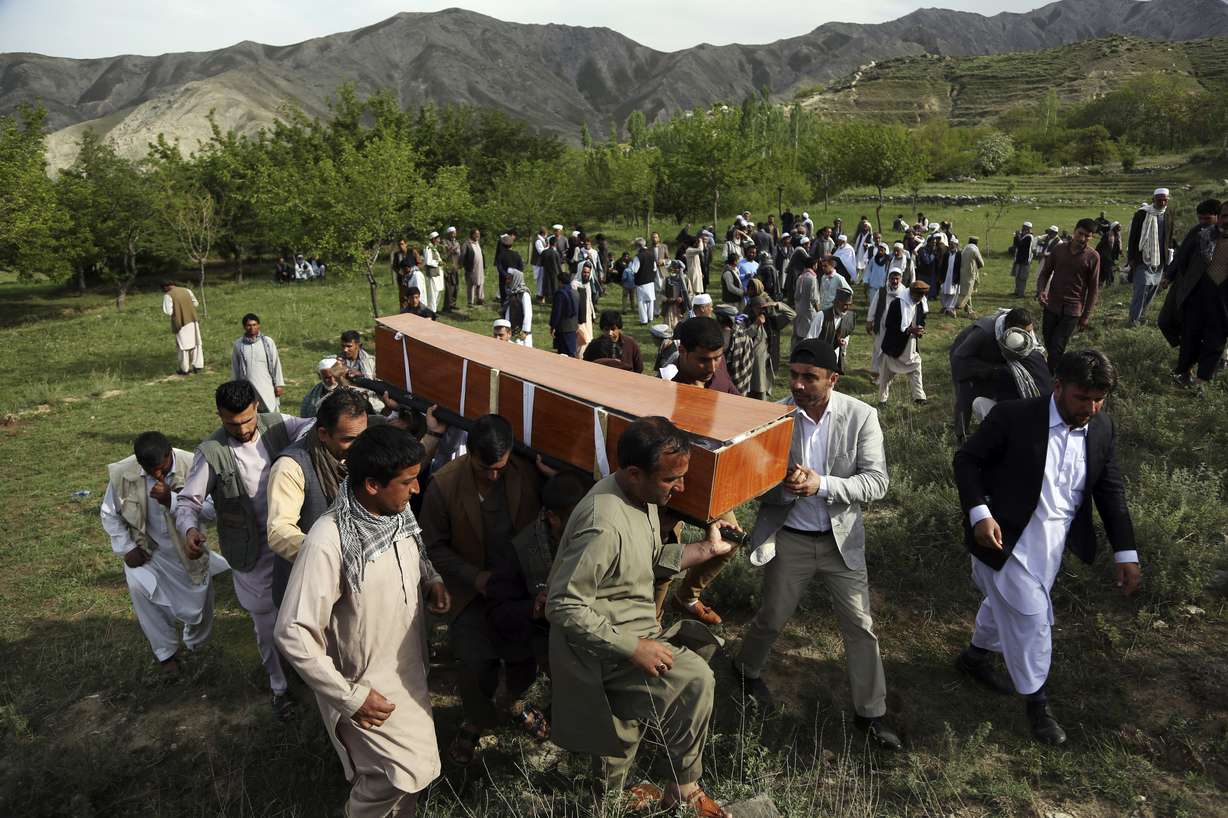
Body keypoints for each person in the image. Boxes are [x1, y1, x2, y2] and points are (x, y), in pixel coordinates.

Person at [547, 417, 734, 818]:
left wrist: (706, 549)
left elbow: (647, 562)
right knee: (694, 680)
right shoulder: (602, 523)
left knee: (624, 726)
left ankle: (608, 802)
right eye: (672, 480)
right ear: (634, 473)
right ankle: (684, 789)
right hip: (599, 649)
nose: (681, 488)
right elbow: (563, 604)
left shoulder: (644, 498)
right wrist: (634, 648)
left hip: (633, 631)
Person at [953, 350, 1140, 745]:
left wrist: (1126, 552)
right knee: (1032, 619)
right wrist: (979, 513)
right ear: (1059, 386)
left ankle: (973, 659)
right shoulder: (1014, 417)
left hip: (1052, 546)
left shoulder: (1102, 428)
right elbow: (966, 460)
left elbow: (1111, 492)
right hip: (1004, 539)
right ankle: (1038, 705)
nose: (1090, 407)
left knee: (1002, 604)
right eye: (1082, 397)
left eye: (1098, 399)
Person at [275, 424, 450, 818]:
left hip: (409, 674)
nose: (416, 490)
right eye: (407, 482)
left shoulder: (397, 513)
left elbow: (415, 550)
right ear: (372, 484)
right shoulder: (328, 541)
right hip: (368, 688)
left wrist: (432, 579)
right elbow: (292, 632)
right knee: (393, 776)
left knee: (411, 779)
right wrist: (351, 697)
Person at [732, 339, 899, 748]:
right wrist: (786, 489)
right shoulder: (774, 416)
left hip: (841, 543)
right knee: (771, 617)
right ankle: (744, 672)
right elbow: (755, 487)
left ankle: (871, 713)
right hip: (790, 540)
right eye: (793, 375)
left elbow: (876, 482)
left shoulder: (861, 416)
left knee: (861, 626)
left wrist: (820, 484)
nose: (799, 385)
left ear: (833, 379)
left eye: (810, 377)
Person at [177, 380, 314, 717]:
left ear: (257, 407)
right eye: (231, 424)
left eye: (247, 420)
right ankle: (281, 689)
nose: (241, 429)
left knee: (308, 612)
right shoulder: (210, 452)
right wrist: (190, 529)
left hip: (294, 540)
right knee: (268, 627)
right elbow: (187, 502)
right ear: (220, 417)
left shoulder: (279, 424)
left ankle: (315, 677)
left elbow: (315, 423)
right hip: (251, 554)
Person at [419, 415, 546, 764]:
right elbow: (435, 545)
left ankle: (513, 699)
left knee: (525, 655)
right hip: (470, 590)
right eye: (483, 468)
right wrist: (475, 577)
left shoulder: (525, 473)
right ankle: (475, 719)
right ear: (469, 453)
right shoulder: (443, 484)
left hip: (520, 587)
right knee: (475, 662)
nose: (493, 476)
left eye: (499, 469)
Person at [268, 389, 437, 607]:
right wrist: (333, 555)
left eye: (361, 437)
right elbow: (279, 532)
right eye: (348, 439)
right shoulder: (291, 467)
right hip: (314, 587)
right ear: (322, 433)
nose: (357, 446)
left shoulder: (365, 449)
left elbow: (402, 471)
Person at [101, 431, 222, 671]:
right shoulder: (124, 473)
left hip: (188, 552)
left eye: (161, 468)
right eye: (149, 469)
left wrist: (173, 500)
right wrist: (126, 548)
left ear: (170, 454)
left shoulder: (194, 465)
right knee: (140, 590)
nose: (156, 474)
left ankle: (195, 645)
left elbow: (213, 511)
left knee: (200, 604)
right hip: (147, 552)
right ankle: (166, 654)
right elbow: (108, 513)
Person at [486, 472, 590, 682]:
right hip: (538, 648)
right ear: (553, 518)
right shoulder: (520, 551)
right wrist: (533, 609)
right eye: (575, 521)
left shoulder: (596, 534)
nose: (584, 527)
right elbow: (498, 613)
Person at [949, 308, 1050, 441]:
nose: (1027, 335)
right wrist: (990, 369)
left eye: (1028, 331)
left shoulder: (1023, 334)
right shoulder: (985, 332)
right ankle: (961, 435)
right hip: (966, 356)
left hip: (995, 360)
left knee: (994, 390)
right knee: (967, 395)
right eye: (1023, 332)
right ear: (1009, 328)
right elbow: (960, 359)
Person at [1160, 198, 1228, 392]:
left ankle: (1201, 382)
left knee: (1216, 340)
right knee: (1190, 335)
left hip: (1223, 300)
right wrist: (1171, 277)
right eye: (1224, 216)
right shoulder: (1202, 235)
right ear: (1220, 217)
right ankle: (1184, 371)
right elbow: (1182, 257)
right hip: (1197, 295)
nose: (1226, 220)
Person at [1036, 218, 1101, 372]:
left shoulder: (1093, 257)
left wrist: (1086, 316)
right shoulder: (1058, 250)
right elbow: (1044, 274)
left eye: (1087, 236)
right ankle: (1054, 373)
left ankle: (1052, 379)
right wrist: (1040, 292)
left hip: (1072, 310)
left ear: (1091, 237)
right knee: (1049, 342)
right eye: (1081, 234)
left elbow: (1093, 289)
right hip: (1051, 305)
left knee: (1057, 346)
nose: (1083, 238)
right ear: (1074, 231)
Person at [1127, 188, 1176, 325]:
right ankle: (1133, 319)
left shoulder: (1168, 213)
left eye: (1165, 199)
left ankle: (1141, 315)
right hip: (1143, 256)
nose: (1162, 201)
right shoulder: (1142, 214)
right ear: (1153, 199)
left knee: (1153, 288)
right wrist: (1131, 257)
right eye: (1159, 199)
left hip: (1160, 258)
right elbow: (1133, 236)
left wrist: (1170, 254)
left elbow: (1170, 235)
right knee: (1142, 287)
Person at [877, 280, 929, 406]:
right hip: (894, 346)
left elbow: (922, 321)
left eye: (922, 296)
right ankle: (882, 400)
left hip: (910, 345)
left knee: (916, 367)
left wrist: (920, 331)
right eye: (918, 295)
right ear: (911, 293)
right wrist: (909, 330)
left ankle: (919, 397)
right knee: (885, 376)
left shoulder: (921, 304)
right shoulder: (897, 304)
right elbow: (889, 324)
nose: (919, 298)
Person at [230, 314, 285, 413]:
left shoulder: (268, 342)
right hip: (247, 387)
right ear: (244, 327)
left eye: (254, 325)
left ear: (259, 325)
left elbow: (276, 363)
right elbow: (235, 367)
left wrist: (279, 384)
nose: (252, 328)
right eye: (249, 325)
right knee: (251, 413)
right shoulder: (238, 344)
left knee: (272, 413)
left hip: (266, 385)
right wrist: (234, 388)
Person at [161, 281, 204, 375]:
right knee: (196, 343)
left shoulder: (168, 295)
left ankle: (184, 369)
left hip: (180, 323)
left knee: (183, 346)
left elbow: (168, 311)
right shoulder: (187, 290)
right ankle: (198, 366)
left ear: (166, 287)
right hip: (193, 320)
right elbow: (196, 303)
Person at [810, 285, 855, 372]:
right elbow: (810, 338)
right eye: (844, 304)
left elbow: (846, 333)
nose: (847, 308)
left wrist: (843, 344)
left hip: (835, 358)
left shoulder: (849, 317)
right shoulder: (821, 316)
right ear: (836, 302)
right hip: (819, 358)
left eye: (849, 305)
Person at [868, 269, 903, 377]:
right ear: (889, 279)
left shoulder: (904, 292)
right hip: (881, 325)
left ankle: (889, 373)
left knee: (892, 351)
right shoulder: (882, 291)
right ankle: (876, 372)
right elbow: (874, 305)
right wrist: (870, 320)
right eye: (893, 278)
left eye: (897, 278)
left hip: (896, 327)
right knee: (878, 348)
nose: (895, 281)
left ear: (900, 279)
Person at [743, 296, 773, 400]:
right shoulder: (745, 320)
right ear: (752, 308)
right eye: (759, 308)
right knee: (755, 388)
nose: (761, 310)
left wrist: (777, 304)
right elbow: (743, 336)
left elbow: (791, 314)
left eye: (763, 308)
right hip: (752, 361)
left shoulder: (768, 320)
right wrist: (756, 324)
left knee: (762, 386)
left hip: (765, 359)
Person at [792, 256, 822, 353]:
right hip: (809, 310)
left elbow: (796, 295)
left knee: (798, 333)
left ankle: (795, 352)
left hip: (799, 309)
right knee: (808, 333)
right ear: (814, 265)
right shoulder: (812, 278)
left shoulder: (800, 277)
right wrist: (819, 312)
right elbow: (814, 298)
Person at [550, 270, 580, 357]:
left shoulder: (560, 294)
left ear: (560, 282)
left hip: (562, 329)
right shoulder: (576, 293)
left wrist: (553, 326)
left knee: (563, 353)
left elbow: (557, 312)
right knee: (571, 352)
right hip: (573, 328)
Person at [503, 268, 534, 347]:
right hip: (511, 332)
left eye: (509, 279)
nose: (507, 281)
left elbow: (528, 313)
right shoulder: (511, 293)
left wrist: (525, 331)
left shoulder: (524, 294)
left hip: (522, 335)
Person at [956, 237, 985, 316]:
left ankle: (969, 308)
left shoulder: (965, 248)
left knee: (967, 291)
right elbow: (982, 263)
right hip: (971, 273)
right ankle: (957, 306)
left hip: (962, 272)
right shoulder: (974, 249)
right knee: (967, 292)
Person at [495, 230, 523, 311]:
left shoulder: (500, 256)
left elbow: (499, 268)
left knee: (504, 297)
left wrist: (506, 275)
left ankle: (504, 312)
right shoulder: (516, 254)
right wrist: (514, 275)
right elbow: (521, 267)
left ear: (503, 245)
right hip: (515, 280)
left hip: (504, 279)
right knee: (514, 296)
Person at [633, 238, 657, 324]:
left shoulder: (638, 256)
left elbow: (634, 270)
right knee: (650, 300)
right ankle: (650, 317)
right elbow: (655, 268)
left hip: (641, 281)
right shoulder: (652, 255)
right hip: (651, 281)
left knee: (641, 302)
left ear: (638, 246)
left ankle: (644, 320)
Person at [1010, 223, 1038, 298]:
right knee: (1017, 276)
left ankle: (1021, 293)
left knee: (1022, 277)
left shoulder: (1029, 237)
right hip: (1019, 259)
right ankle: (1017, 291)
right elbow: (1016, 244)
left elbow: (1020, 244)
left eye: (1024, 228)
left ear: (1028, 229)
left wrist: (1017, 236)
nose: (1022, 229)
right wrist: (1017, 236)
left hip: (1025, 260)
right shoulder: (1023, 236)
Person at [460, 228, 485, 308]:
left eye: (479, 234)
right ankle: (470, 302)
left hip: (480, 267)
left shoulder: (478, 243)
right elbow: (463, 255)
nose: (478, 235)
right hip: (471, 268)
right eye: (476, 234)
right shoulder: (467, 244)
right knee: (471, 284)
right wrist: (462, 265)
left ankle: (480, 299)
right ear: (472, 235)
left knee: (480, 282)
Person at [662, 259, 691, 329]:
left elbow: (690, 294)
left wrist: (682, 299)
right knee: (669, 326)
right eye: (675, 268)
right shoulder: (667, 280)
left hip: (681, 308)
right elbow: (661, 293)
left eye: (678, 269)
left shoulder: (686, 280)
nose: (676, 270)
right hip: (669, 307)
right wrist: (668, 299)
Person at [422, 231, 443, 312]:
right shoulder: (428, 248)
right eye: (438, 239)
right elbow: (428, 261)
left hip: (437, 274)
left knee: (438, 292)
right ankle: (432, 312)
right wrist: (438, 263)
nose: (439, 240)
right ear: (433, 239)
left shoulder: (434, 248)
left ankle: (434, 310)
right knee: (433, 294)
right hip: (432, 274)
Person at [1096, 222, 1121, 288]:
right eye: (1118, 227)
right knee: (1108, 271)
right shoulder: (1109, 234)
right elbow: (1103, 244)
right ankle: (1108, 285)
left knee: (1106, 271)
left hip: (1108, 256)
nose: (1119, 229)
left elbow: (1117, 247)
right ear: (1114, 228)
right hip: (1105, 256)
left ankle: (1104, 285)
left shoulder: (1116, 235)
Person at [442, 226, 462, 312]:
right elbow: (444, 254)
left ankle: (453, 304)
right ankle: (447, 306)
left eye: (455, 232)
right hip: (448, 267)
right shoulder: (444, 242)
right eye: (453, 232)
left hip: (456, 267)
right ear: (449, 233)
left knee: (456, 286)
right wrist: (452, 249)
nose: (455, 234)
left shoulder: (457, 242)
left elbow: (459, 254)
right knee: (449, 287)